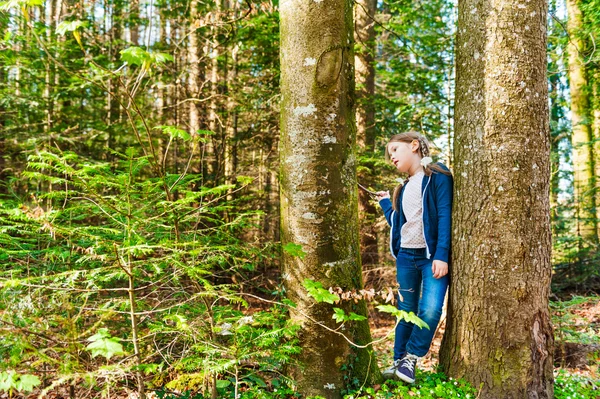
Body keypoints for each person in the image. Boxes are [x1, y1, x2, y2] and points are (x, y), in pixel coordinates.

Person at [374, 131, 453, 384]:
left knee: (430, 309)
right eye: (390, 154)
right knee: (405, 310)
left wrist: (442, 254)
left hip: (431, 257)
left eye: (395, 150)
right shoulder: (403, 188)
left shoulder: (437, 176)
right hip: (406, 257)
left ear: (415, 146)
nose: (391, 157)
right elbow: (399, 224)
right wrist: (386, 203)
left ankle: (411, 358)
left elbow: (444, 215)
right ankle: (399, 363)